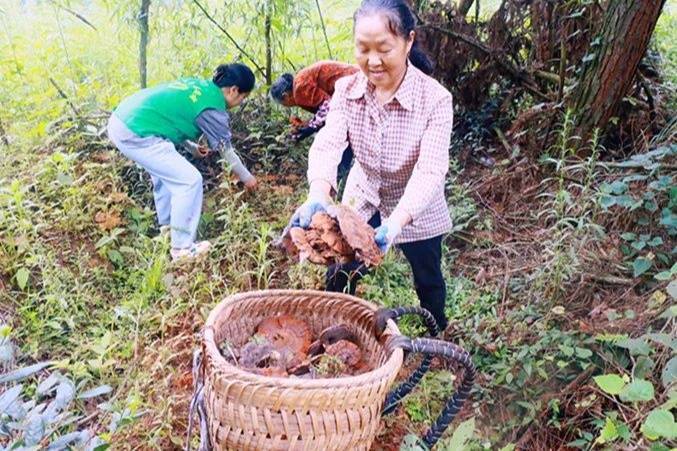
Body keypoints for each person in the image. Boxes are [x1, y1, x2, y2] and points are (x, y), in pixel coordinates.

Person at [289, 0, 454, 330]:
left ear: (408, 41)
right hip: (364, 194)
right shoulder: (346, 89)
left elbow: (430, 170)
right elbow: (329, 142)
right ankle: (339, 330)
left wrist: (396, 224)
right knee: (340, 269)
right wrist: (318, 193)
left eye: (384, 49)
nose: (373, 61)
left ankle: (436, 334)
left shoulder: (435, 100)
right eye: (363, 49)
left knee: (428, 276)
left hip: (415, 204)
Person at [107, 63, 257, 261]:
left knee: (166, 175)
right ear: (234, 90)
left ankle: (168, 229)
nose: (240, 102)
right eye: (243, 97)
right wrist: (248, 179)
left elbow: (169, 118)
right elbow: (225, 150)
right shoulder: (213, 108)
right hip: (135, 131)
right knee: (189, 180)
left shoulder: (201, 87)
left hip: (124, 120)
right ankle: (182, 250)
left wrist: (191, 147)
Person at [270, 61, 359, 181]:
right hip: (355, 82)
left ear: (286, 96)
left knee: (346, 132)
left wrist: (310, 129)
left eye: (283, 103)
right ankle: (342, 173)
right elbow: (326, 109)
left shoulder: (299, 89)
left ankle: (342, 175)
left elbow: (328, 105)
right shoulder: (300, 81)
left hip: (355, 85)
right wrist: (307, 125)